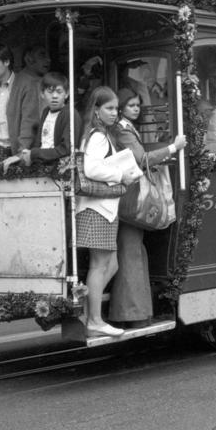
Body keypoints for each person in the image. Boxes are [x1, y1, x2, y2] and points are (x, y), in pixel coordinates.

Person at [109, 88, 186, 328]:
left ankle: (136, 312)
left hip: (126, 195)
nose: (136, 108)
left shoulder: (125, 127)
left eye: (137, 104)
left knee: (133, 250)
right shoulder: (123, 129)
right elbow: (142, 159)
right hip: (130, 198)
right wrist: (173, 148)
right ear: (121, 108)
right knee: (130, 251)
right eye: (131, 105)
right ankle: (132, 313)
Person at [77, 87, 143, 337]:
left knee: (111, 264)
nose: (115, 113)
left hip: (103, 209)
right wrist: (121, 175)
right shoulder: (98, 136)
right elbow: (92, 169)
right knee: (99, 265)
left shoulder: (97, 133)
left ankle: (87, 309)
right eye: (109, 108)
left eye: (116, 108)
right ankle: (94, 319)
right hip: (98, 209)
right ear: (96, 110)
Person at [18, 72, 82, 165]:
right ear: (42, 94)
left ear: (67, 94)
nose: (55, 96)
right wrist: (30, 153)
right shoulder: (46, 111)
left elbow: (67, 149)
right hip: (42, 164)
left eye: (59, 92)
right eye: (50, 92)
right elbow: (39, 141)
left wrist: (35, 153)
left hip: (60, 167)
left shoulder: (70, 114)